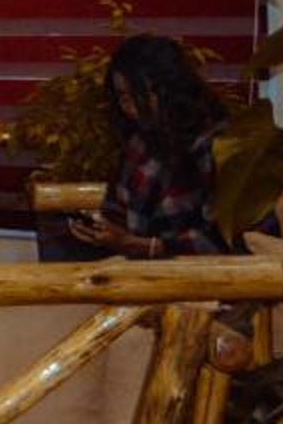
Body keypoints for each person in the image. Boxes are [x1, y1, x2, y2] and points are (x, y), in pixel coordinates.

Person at [67, 33, 228, 257]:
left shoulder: (215, 144)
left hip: (190, 268)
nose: (131, 107)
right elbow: (117, 207)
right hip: (131, 262)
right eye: (123, 97)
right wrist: (102, 229)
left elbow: (223, 237)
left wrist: (147, 246)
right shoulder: (140, 141)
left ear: (170, 88)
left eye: (140, 94)